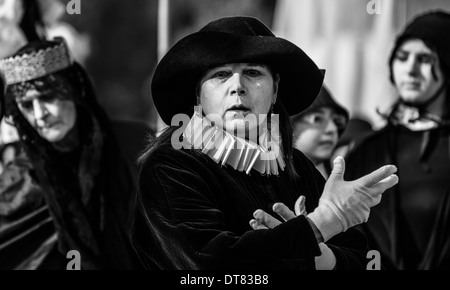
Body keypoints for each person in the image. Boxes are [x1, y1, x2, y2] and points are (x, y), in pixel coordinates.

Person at [131, 16, 398, 270]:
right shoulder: (170, 166)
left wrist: (322, 257)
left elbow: (368, 262)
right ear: (198, 95)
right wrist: (323, 224)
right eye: (221, 74)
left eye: (253, 72)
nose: (237, 86)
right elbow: (208, 267)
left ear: (275, 90)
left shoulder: (297, 167)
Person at [0, 38, 141, 269]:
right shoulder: (21, 180)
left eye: (47, 96)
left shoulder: (134, 146)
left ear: (75, 90)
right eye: (27, 105)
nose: (39, 114)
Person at [344, 11, 450, 270]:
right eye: (402, 58)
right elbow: (350, 242)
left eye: (425, 59)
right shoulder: (366, 151)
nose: (411, 69)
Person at [290, 85, 349, 178]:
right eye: (317, 119)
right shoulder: (268, 184)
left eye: (336, 120)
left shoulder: (345, 178)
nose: (332, 129)